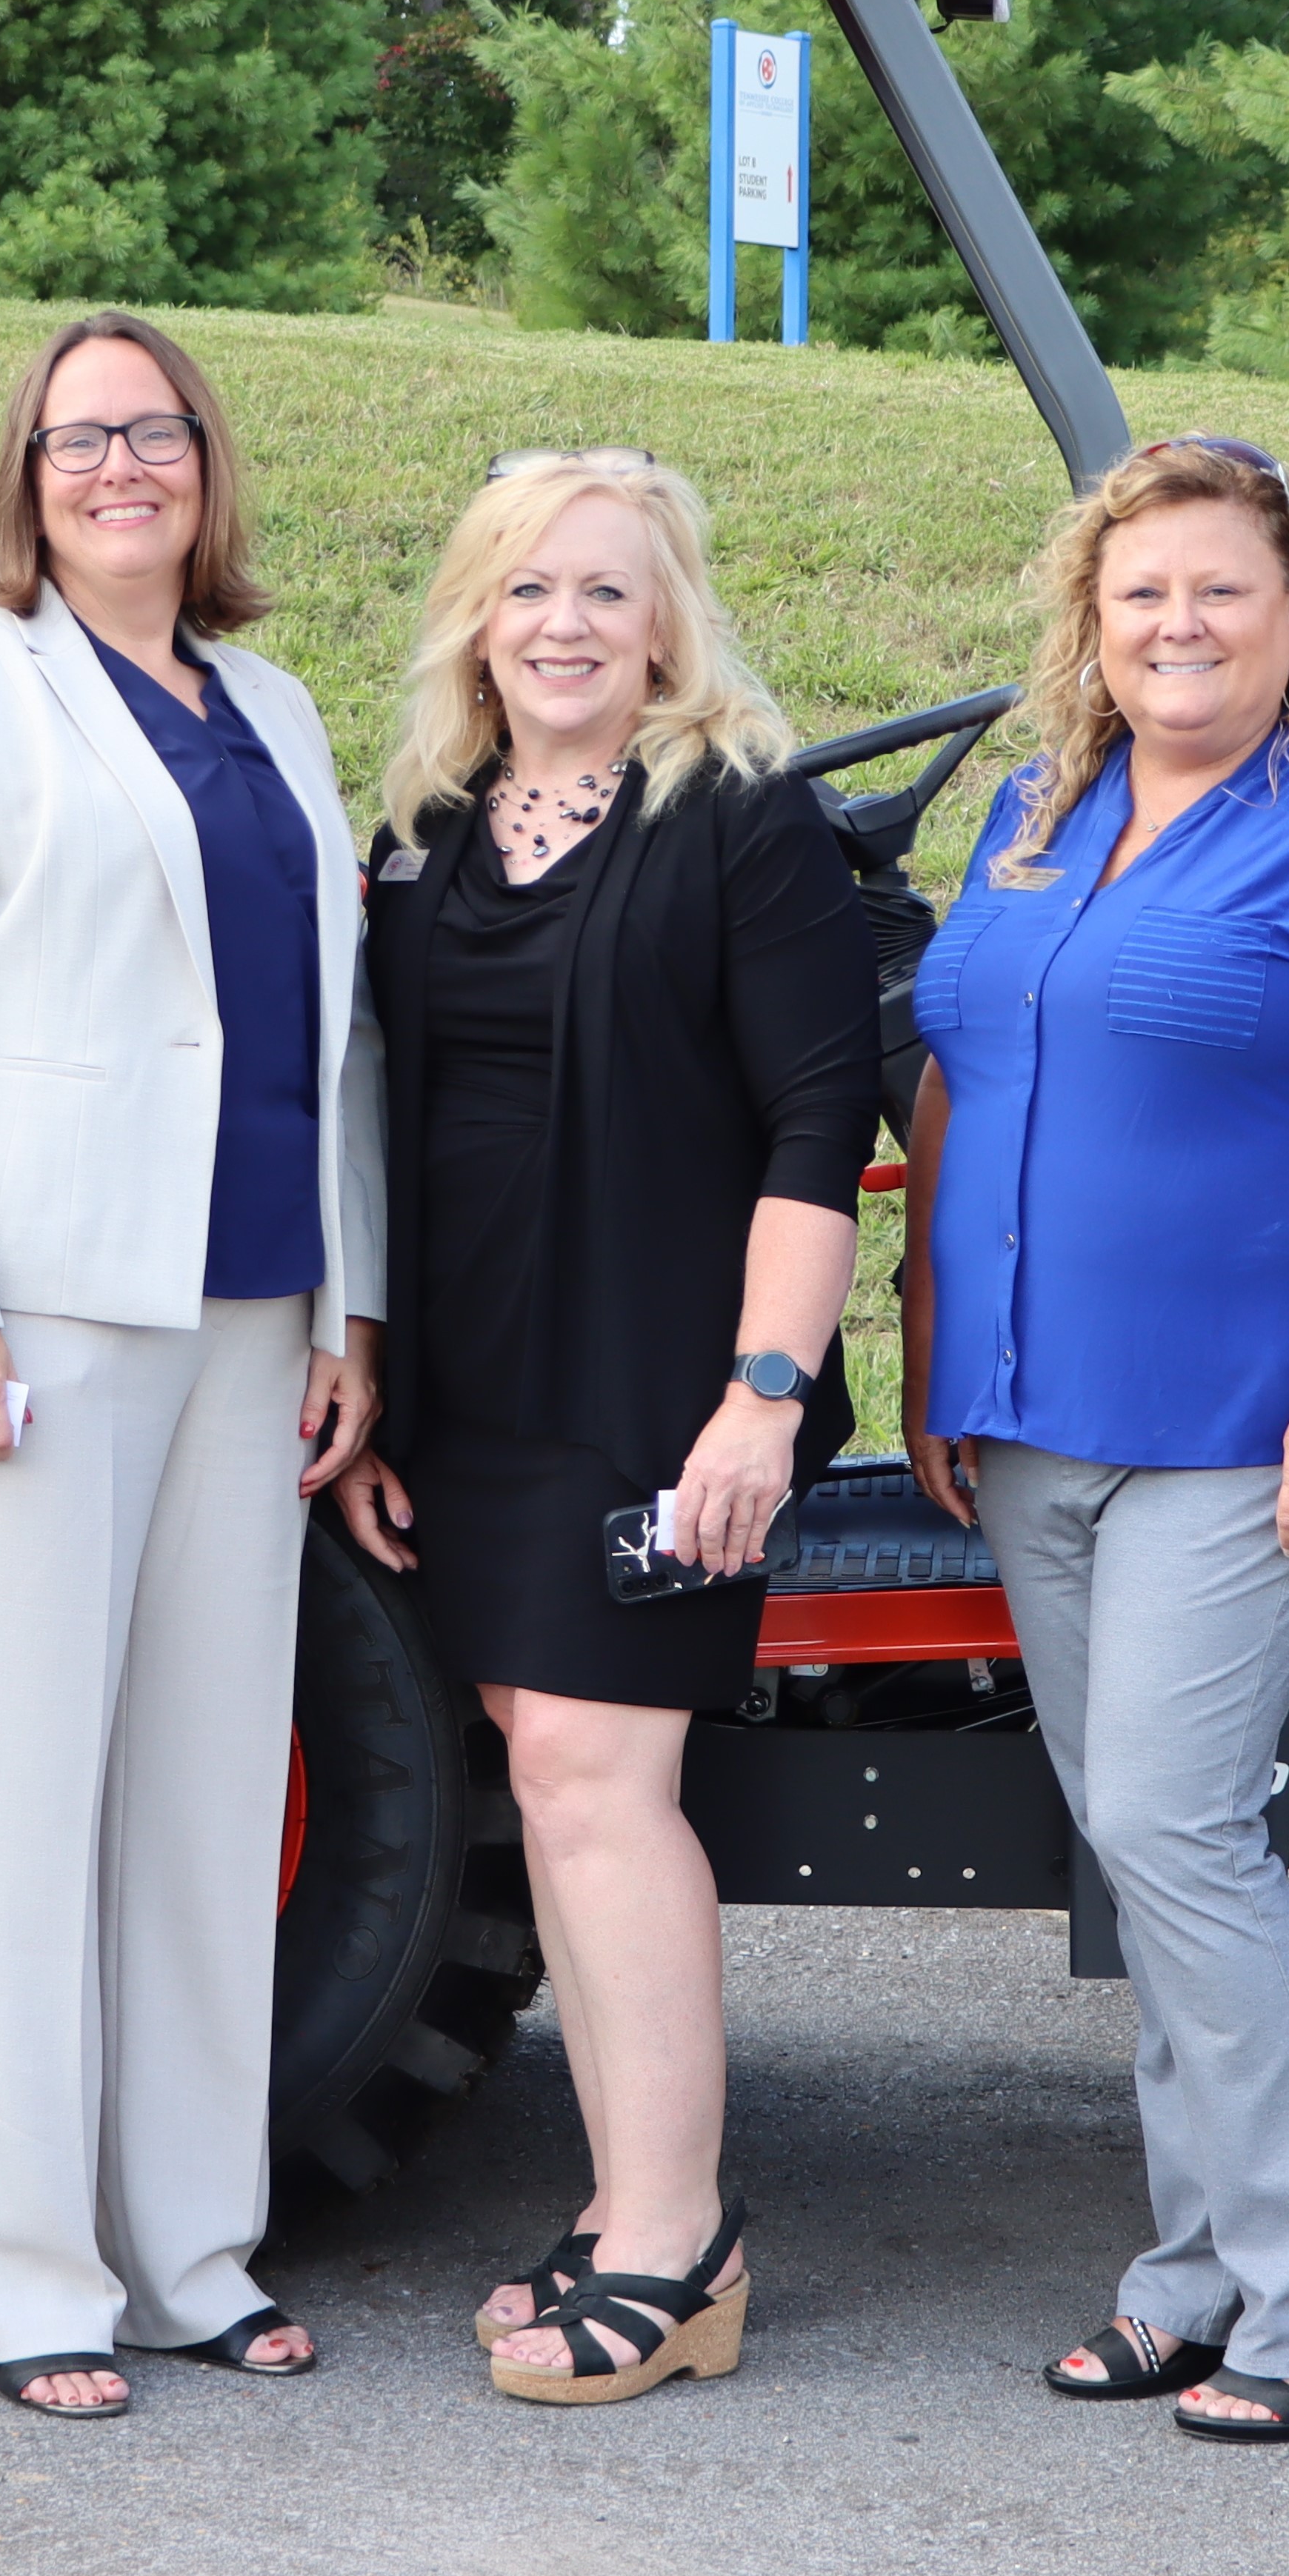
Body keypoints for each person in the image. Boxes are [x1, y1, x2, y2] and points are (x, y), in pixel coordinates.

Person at [898, 438, 1289, 2448]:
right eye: (1142, 591)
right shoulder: (1035, 812)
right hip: (1035, 1417)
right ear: (1094, 613)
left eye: (1222, 590)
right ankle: (1196, 2273)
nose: (1179, 625)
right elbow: (964, 1079)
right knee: (1148, 1851)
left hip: (1245, 1425)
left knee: (1175, 1828)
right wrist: (926, 1354)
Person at [0, 309, 385, 2419]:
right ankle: (30, 2274)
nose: (119, 468)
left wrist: (354, 1309)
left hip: (245, 1315)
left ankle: (192, 2249)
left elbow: (342, 1036)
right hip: (28, 1319)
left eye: (153, 434)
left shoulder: (278, 705)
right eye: (78, 440)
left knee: (207, 1807)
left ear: (206, 465)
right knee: (15, 1803)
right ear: (28, 477)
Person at [323, 449, 876, 2409]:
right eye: (529, 588)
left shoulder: (736, 823)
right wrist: (376, 1369)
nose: (565, 624)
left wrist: (765, 1395)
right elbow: (387, 1119)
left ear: (671, 623)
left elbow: (825, 1121)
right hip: (476, 1391)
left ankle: (678, 2236)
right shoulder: (434, 830)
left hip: (664, 1388)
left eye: (608, 593)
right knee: (551, 1776)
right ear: (481, 612)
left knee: (592, 1773)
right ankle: (629, 2199)